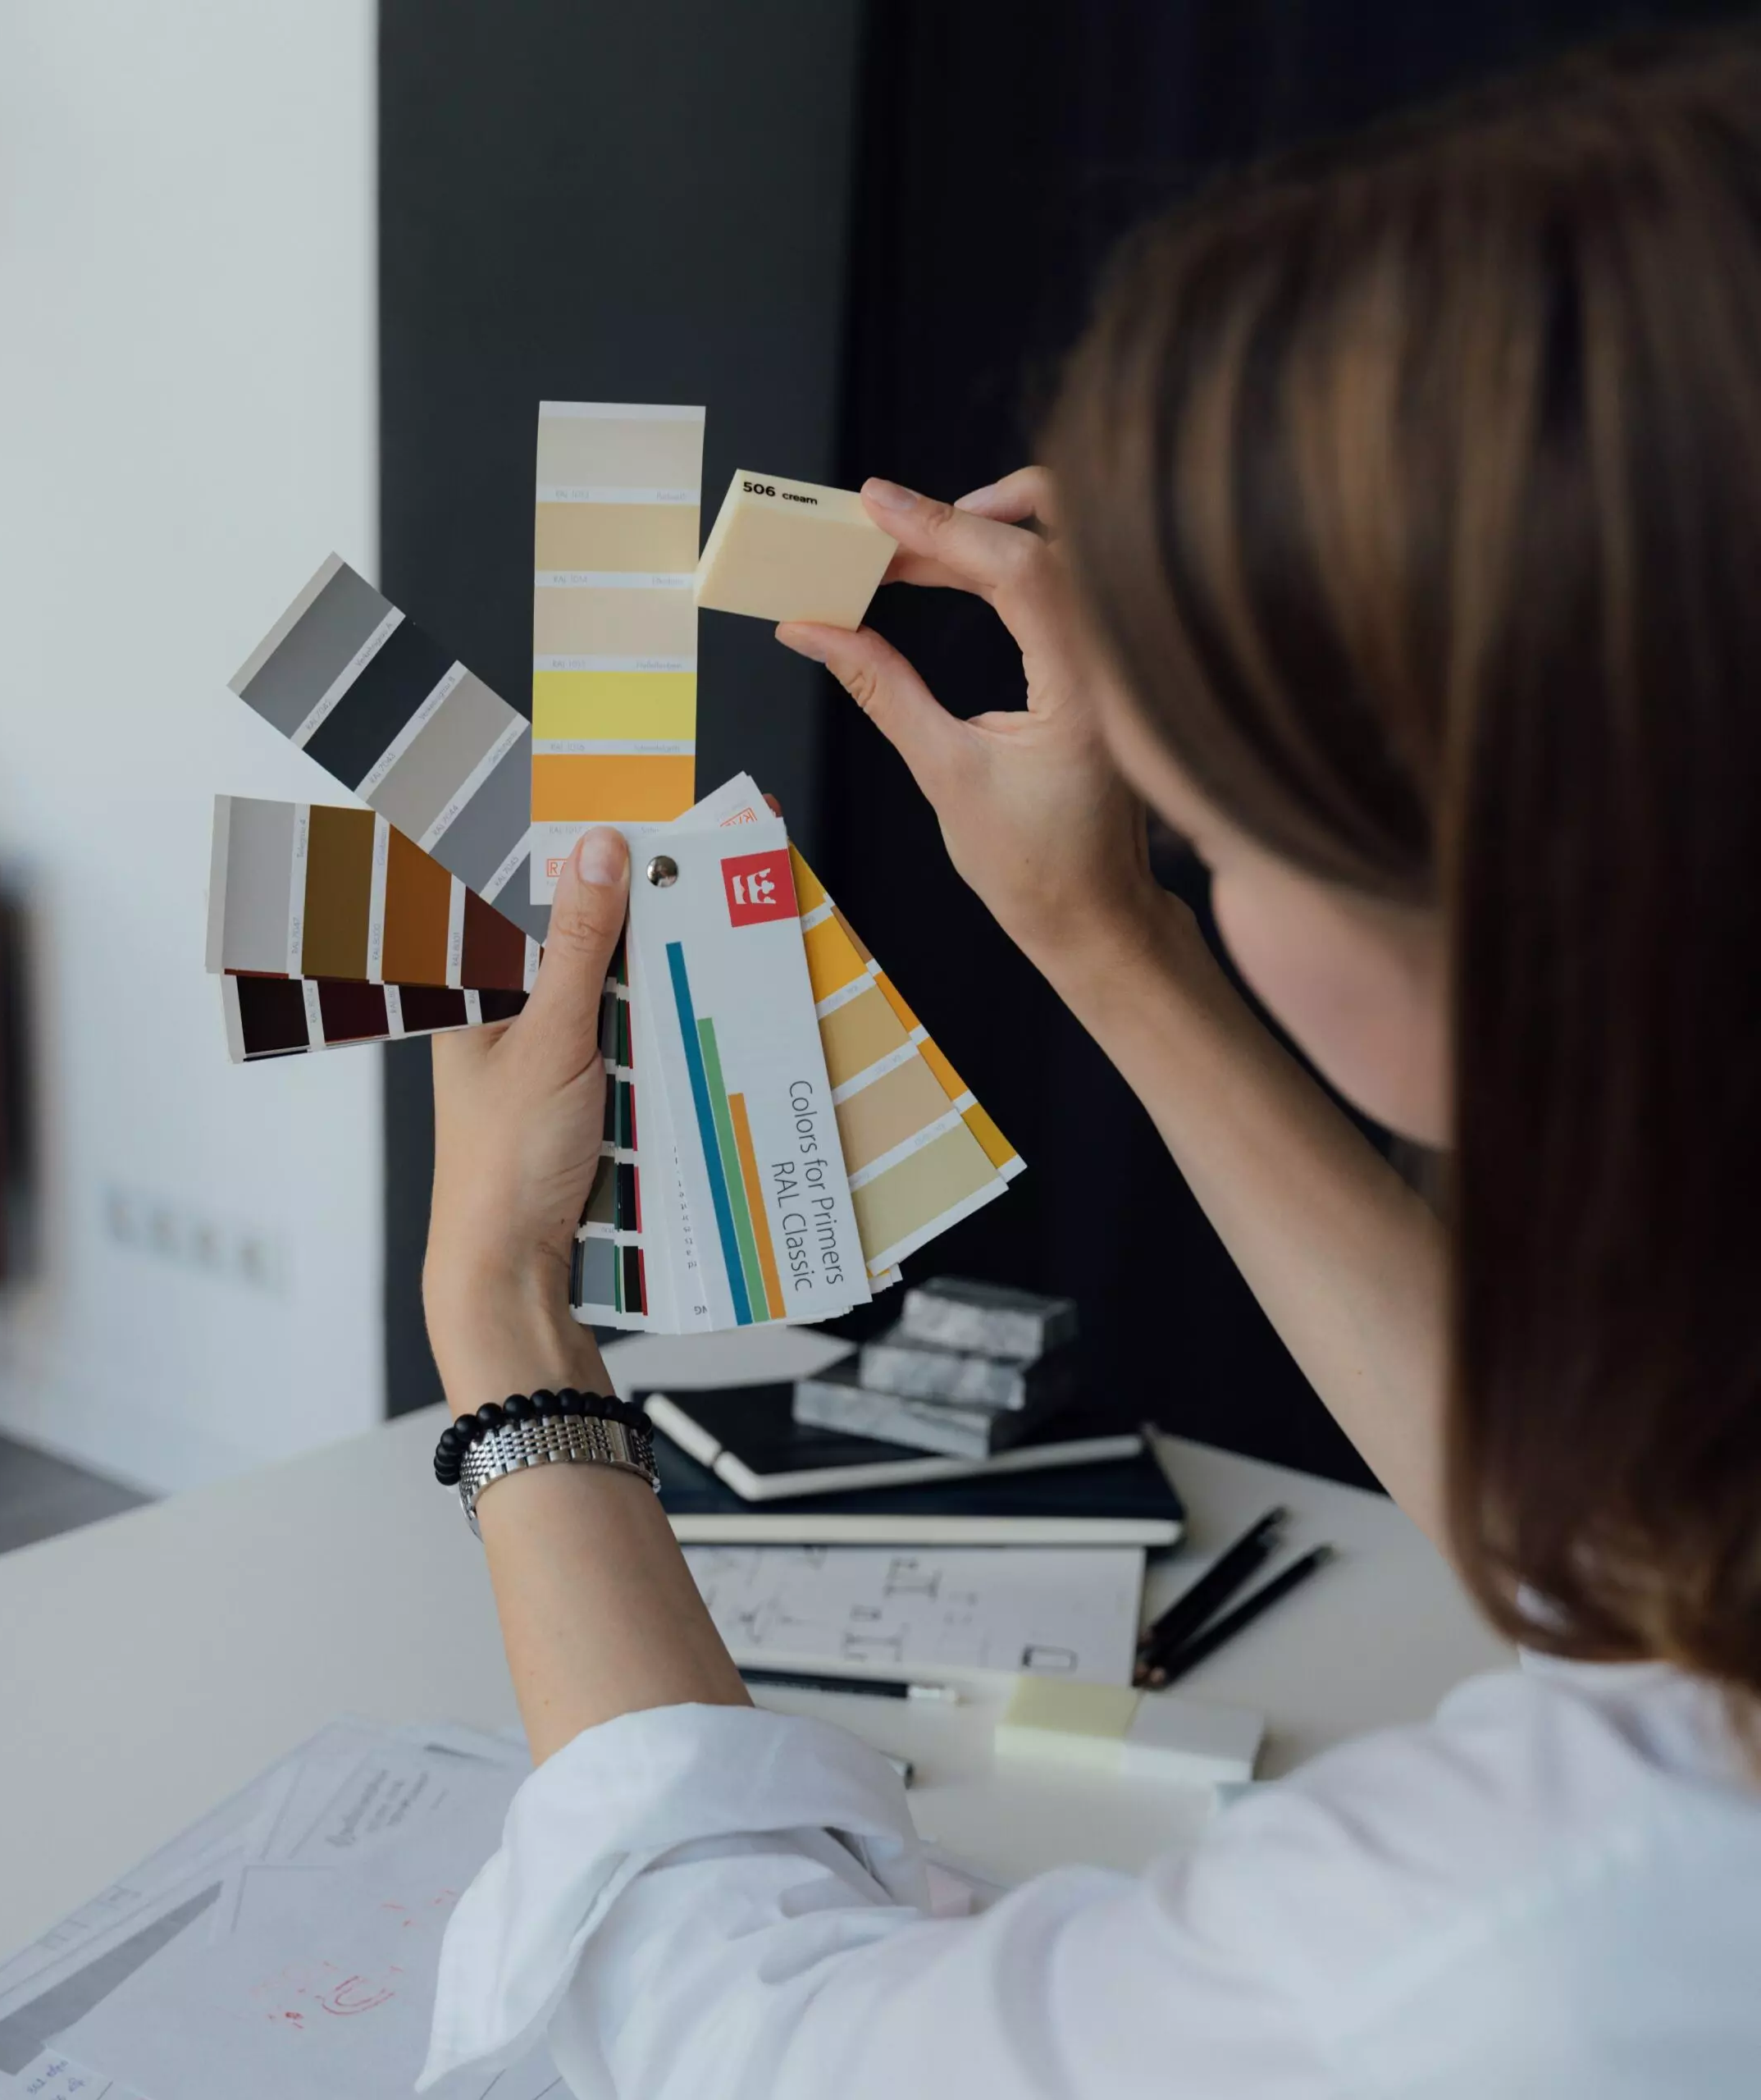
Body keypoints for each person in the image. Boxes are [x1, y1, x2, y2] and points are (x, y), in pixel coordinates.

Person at [417, 32, 1761, 2098]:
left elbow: (721, 2043)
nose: (1185, 822)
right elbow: (1615, 1559)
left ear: (1539, 924)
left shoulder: (1545, 1935)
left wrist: (505, 1320)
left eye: (1223, 823)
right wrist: (1104, 930)